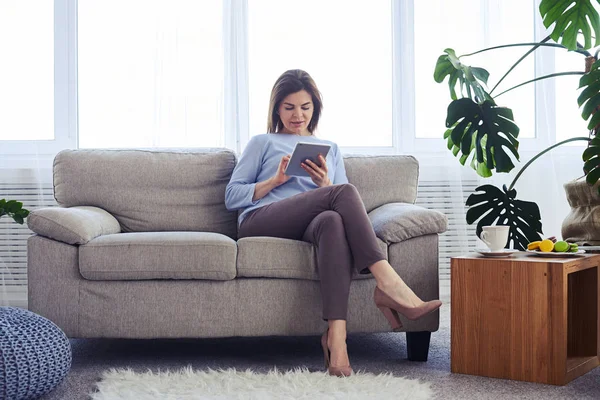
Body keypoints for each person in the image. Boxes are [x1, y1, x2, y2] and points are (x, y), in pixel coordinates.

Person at [225, 69, 442, 377]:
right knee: (342, 194)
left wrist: (324, 181)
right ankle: (388, 282)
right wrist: (276, 180)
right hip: (263, 219)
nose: (298, 115)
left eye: (305, 106)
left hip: (310, 223)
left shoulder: (330, 148)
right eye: (289, 107)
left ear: (315, 108)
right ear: (276, 109)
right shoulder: (262, 142)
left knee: (331, 220)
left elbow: (341, 204)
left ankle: (336, 339)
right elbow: (232, 196)